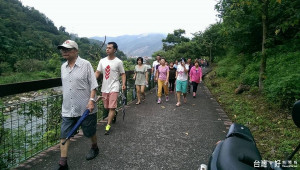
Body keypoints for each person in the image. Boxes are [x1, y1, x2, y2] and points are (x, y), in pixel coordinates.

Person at [57, 40, 99, 169]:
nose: (64, 51)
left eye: (68, 49)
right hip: (68, 108)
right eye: (63, 49)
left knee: (89, 132)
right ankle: (63, 163)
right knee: (64, 134)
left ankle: (94, 147)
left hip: (85, 108)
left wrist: (91, 101)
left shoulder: (85, 65)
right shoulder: (63, 67)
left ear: (76, 51)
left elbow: (93, 85)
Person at [95, 42, 126, 135]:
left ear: (114, 50)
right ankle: (114, 113)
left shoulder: (118, 62)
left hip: (114, 86)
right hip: (105, 87)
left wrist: (123, 84)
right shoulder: (102, 61)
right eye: (106, 48)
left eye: (109, 48)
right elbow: (97, 72)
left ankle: (108, 126)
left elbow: (123, 74)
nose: (107, 49)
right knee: (107, 107)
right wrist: (92, 81)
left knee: (111, 107)